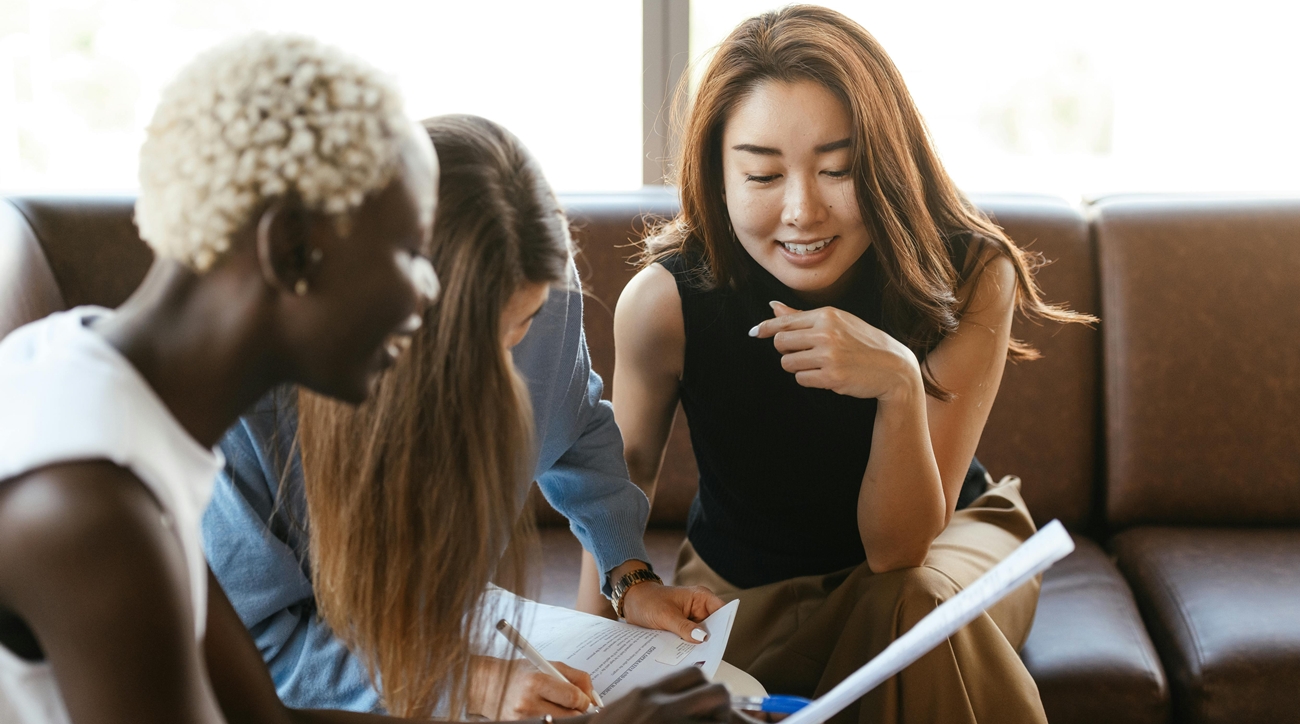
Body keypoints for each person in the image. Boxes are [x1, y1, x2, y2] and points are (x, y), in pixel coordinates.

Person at [0, 33, 730, 724]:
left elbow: (266, 718)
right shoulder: (85, 508)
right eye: (409, 251)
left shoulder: (130, 414)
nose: (425, 298)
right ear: (292, 251)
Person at [601, 6, 1094, 724]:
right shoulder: (665, 301)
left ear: (886, 162)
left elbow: (899, 550)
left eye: (838, 169)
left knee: (912, 607)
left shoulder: (972, 274)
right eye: (763, 174)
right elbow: (618, 483)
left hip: (946, 544)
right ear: (719, 173)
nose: (802, 210)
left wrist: (898, 385)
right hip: (744, 580)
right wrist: (588, 659)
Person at [202, 114, 725, 718]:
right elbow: (257, 647)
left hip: (447, 633)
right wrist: (468, 683)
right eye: (476, 342)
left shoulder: (545, 297)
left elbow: (575, 427)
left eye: (523, 324)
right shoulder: (251, 402)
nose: (506, 372)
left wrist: (629, 577)